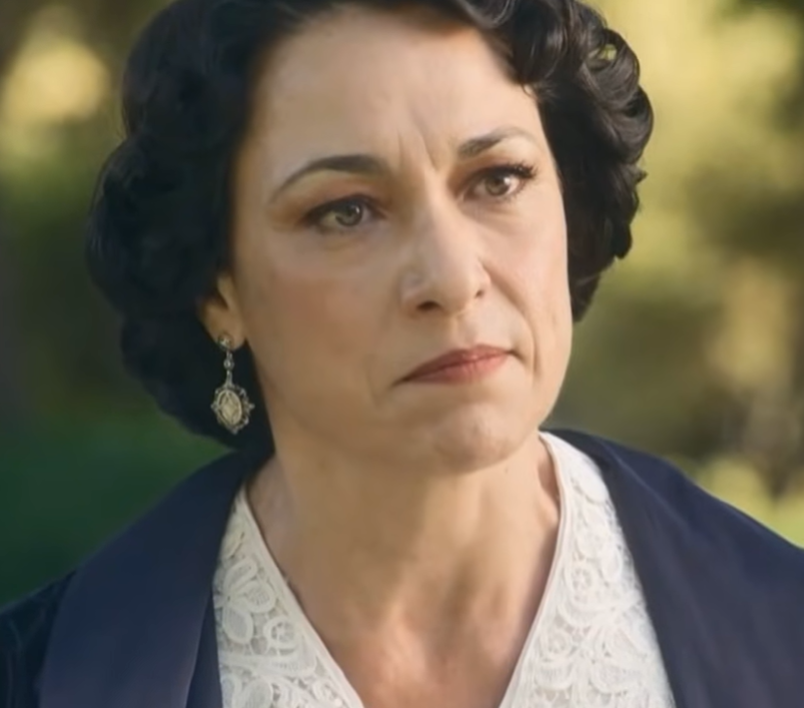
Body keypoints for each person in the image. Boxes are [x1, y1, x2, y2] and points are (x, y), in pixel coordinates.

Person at [2, 0, 803, 706]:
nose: (452, 279)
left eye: (498, 179)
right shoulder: (36, 680)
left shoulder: (782, 630)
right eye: (346, 212)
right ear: (220, 293)